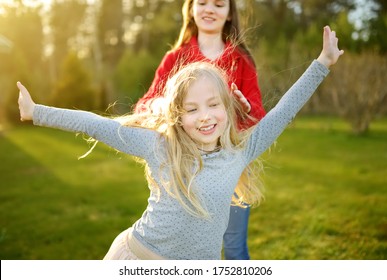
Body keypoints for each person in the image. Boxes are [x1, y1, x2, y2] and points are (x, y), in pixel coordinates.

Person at [17, 26, 343, 260]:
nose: (205, 116)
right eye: (192, 109)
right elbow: (98, 125)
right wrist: (36, 112)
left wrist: (323, 64)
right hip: (139, 259)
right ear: (178, 116)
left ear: (227, 108)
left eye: (213, 104)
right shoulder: (160, 146)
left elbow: (283, 112)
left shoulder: (239, 152)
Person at [135, 0, 266, 260]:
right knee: (183, 247)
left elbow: (258, 115)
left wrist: (245, 108)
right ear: (191, 9)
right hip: (184, 169)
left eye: (218, 4)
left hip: (229, 167)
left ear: (229, 14)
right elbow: (143, 106)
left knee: (234, 246)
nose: (209, 9)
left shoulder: (241, 61)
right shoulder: (175, 58)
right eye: (202, 2)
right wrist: (162, 105)